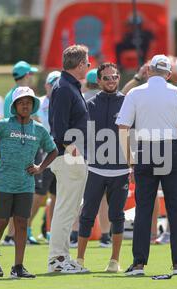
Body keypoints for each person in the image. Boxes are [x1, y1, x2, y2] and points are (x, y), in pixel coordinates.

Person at [117, 54, 177, 276]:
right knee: (176, 209)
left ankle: (139, 264)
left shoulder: (135, 93)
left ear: (148, 71)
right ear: (169, 74)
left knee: (143, 209)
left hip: (145, 150)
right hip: (172, 149)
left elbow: (122, 127)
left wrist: (129, 160)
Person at [0, 86, 58, 279]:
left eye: (28, 102)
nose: (25, 105)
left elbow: (53, 150)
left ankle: (18, 266)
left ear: (33, 105)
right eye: (21, 102)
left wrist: (40, 167)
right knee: (2, 221)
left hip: (26, 184)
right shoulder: (4, 124)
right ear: (15, 106)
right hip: (4, 183)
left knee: (22, 223)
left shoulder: (38, 129)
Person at [76, 62, 130, 273]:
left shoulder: (127, 103)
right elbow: (81, 134)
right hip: (95, 169)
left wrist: (132, 163)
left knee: (117, 216)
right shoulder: (89, 104)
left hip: (121, 171)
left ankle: (114, 261)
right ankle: (79, 260)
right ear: (98, 81)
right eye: (106, 78)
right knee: (87, 214)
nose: (111, 81)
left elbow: (133, 136)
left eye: (115, 77)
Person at [47, 45, 90, 273]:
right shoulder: (64, 88)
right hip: (68, 155)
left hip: (70, 154)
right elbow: (59, 126)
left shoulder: (67, 86)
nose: (89, 66)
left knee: (69, 209)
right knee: (66, 209)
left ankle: (62, 257)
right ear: (80, 64)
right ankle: (57, 259)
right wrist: (71, 148)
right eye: (88, 63)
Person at [1, 60, 38, 246]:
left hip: (13, 148)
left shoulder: (10, 95)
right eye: (31, 74)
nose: (33, 77)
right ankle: (11, 235)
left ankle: (10, 234)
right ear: (26, 76)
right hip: (19, 149)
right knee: (19, 194)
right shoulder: (20, 97)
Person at [28, 71, 61, 245]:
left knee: (56, 195)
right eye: (52, 84)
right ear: (46, 86)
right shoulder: (39, 103)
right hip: (43, 153)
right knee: (39, 195)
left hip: (61, 153)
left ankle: (50, 229)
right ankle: (26, 227)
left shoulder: (65, 102)